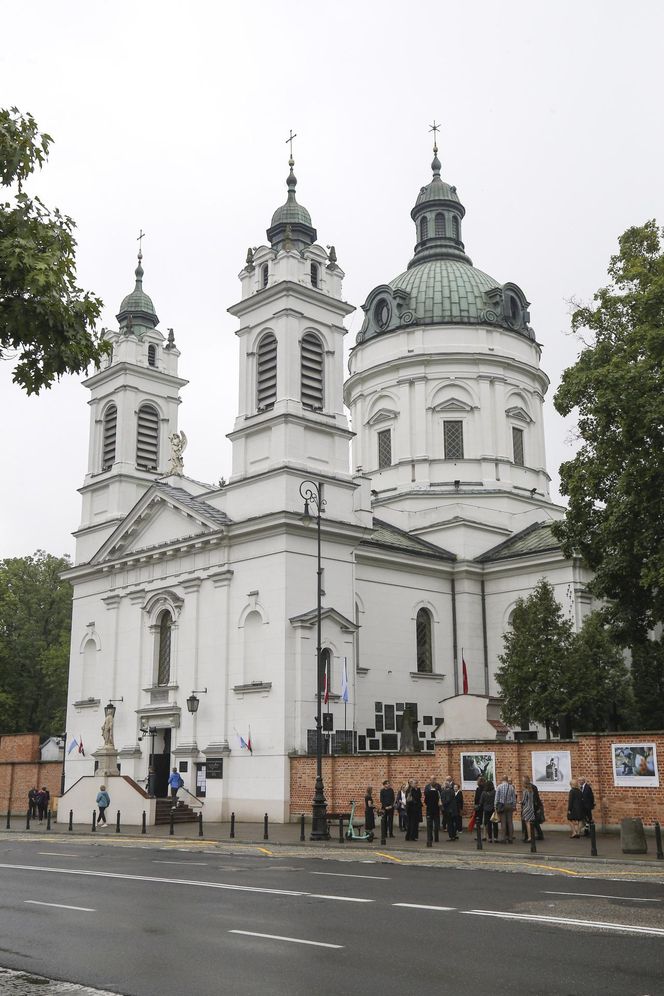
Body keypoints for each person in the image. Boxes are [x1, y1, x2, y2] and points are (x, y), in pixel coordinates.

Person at [495, 775, 516, 843]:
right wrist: (514, 806)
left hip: (502, 806)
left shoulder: (499, 787)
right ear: (507, 779)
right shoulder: (511, 787)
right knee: (510, 822)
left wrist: (495, 806)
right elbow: (514, 798)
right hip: (509, 805)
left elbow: (496, 798)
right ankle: (510, 838)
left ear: (502, 779)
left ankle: (503, 838)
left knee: (503, 823)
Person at [423, 775, 441, 843]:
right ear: (430, 780)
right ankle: (430, 838)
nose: (433, 780)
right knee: (430, 825)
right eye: (431, 779)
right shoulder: (427, 787)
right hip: (431, 809)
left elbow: (440, 795)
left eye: (434, 779)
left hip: (435, 808)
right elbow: (425, 796)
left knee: (436, 825)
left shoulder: (438, 786)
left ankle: (436, 838)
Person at [520, 776, 535, 842]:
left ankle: (529, 837)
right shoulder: (531, 790)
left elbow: (523, 801)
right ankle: (532, 836)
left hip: (526, 808)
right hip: (531, 807)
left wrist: (520, 802)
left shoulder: (525, 791)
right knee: (531, 823)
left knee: (527, 823)